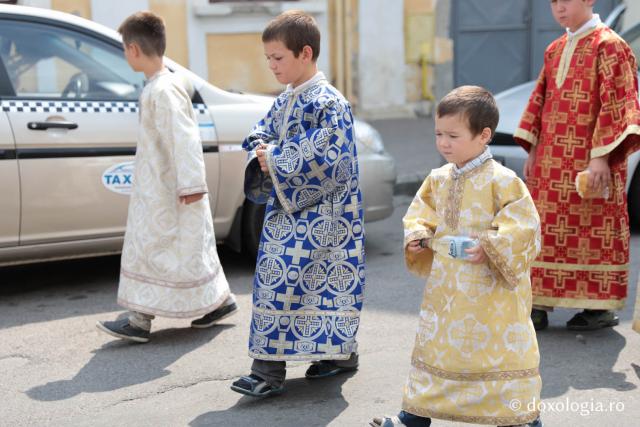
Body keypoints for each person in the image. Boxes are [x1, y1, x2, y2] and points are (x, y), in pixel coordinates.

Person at [372, 86, 542, 427]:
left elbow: (525, 227)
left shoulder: (503, 180)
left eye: (453, 135)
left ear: (483, 135)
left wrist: (492, 246)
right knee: (435, 350)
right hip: (447, 291)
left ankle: (521, 419)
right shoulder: (438, 178)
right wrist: (419, 236)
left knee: (498, 355)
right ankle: (413, 417)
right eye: (438, 134)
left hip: (492, 294)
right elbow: (419, 214)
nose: (443, 143)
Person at [230, 10, 364, 397]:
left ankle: (275, 370)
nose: (271, 66)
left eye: (278, 58)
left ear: (305, 53)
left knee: (312, 288)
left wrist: (273, 157)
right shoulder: (289, 97)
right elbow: (264, 129)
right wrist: (260, 145)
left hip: (328, 219)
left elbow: (329, 159)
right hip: (287, 211)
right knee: (278, 282)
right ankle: (328, 357)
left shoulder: (330, 103)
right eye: (268, 59)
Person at [96, 11, 236, 343]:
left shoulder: (164, 89)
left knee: (152, 248)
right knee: (185, 250)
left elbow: (184, 138)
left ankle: (139, 320)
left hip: (168, 187)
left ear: (132, 49)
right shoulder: (163, 84)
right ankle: (219, 302)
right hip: (158, 185)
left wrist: (190, 184)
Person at [515, 0, 640, 331]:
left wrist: (600, 157)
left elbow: (619, 102)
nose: (558, 8)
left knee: (594, 231)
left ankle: (597, 307)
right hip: (550, 163)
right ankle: (537, 303)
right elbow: (540, 102)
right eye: (553, 1)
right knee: (544, 228)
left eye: (566, 0)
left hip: (591, 160)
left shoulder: (610, 45)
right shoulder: (555, 48)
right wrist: (533, 150)